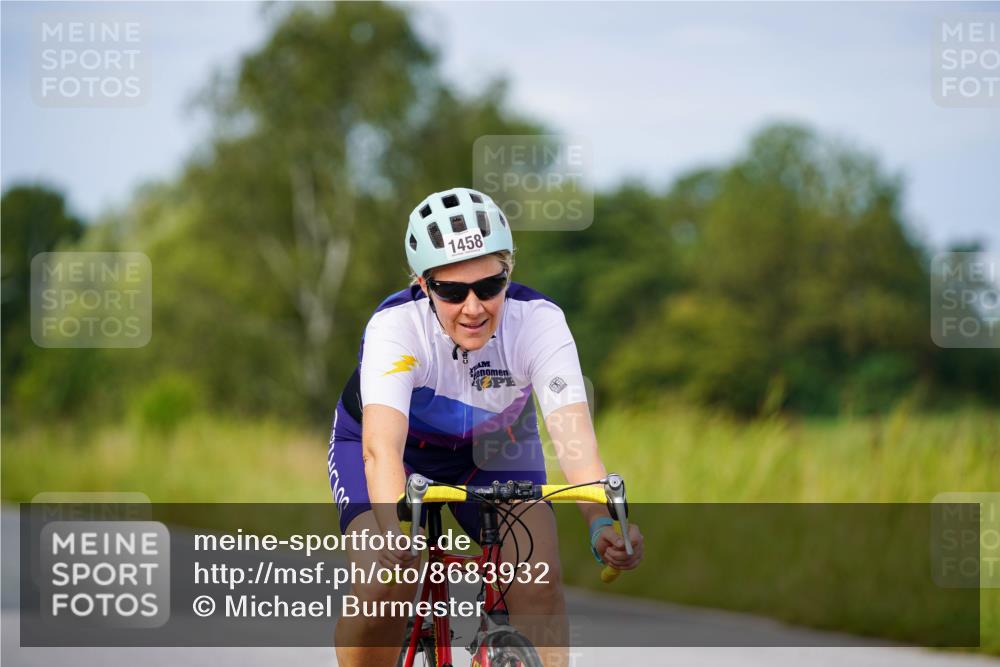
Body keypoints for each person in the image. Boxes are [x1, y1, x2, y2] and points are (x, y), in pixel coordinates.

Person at [328, 187, 643, 667]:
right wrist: (396, 532)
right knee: (383, 585)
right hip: (397, 452)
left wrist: (601, 521)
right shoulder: (396, 327)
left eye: (489, 286)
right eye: (452, 291)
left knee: (539, 577)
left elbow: (576, 443)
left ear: (508, 273)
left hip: (493, 449)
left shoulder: (539, 323)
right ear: (422, 284)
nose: (473, 307)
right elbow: (381, 450)